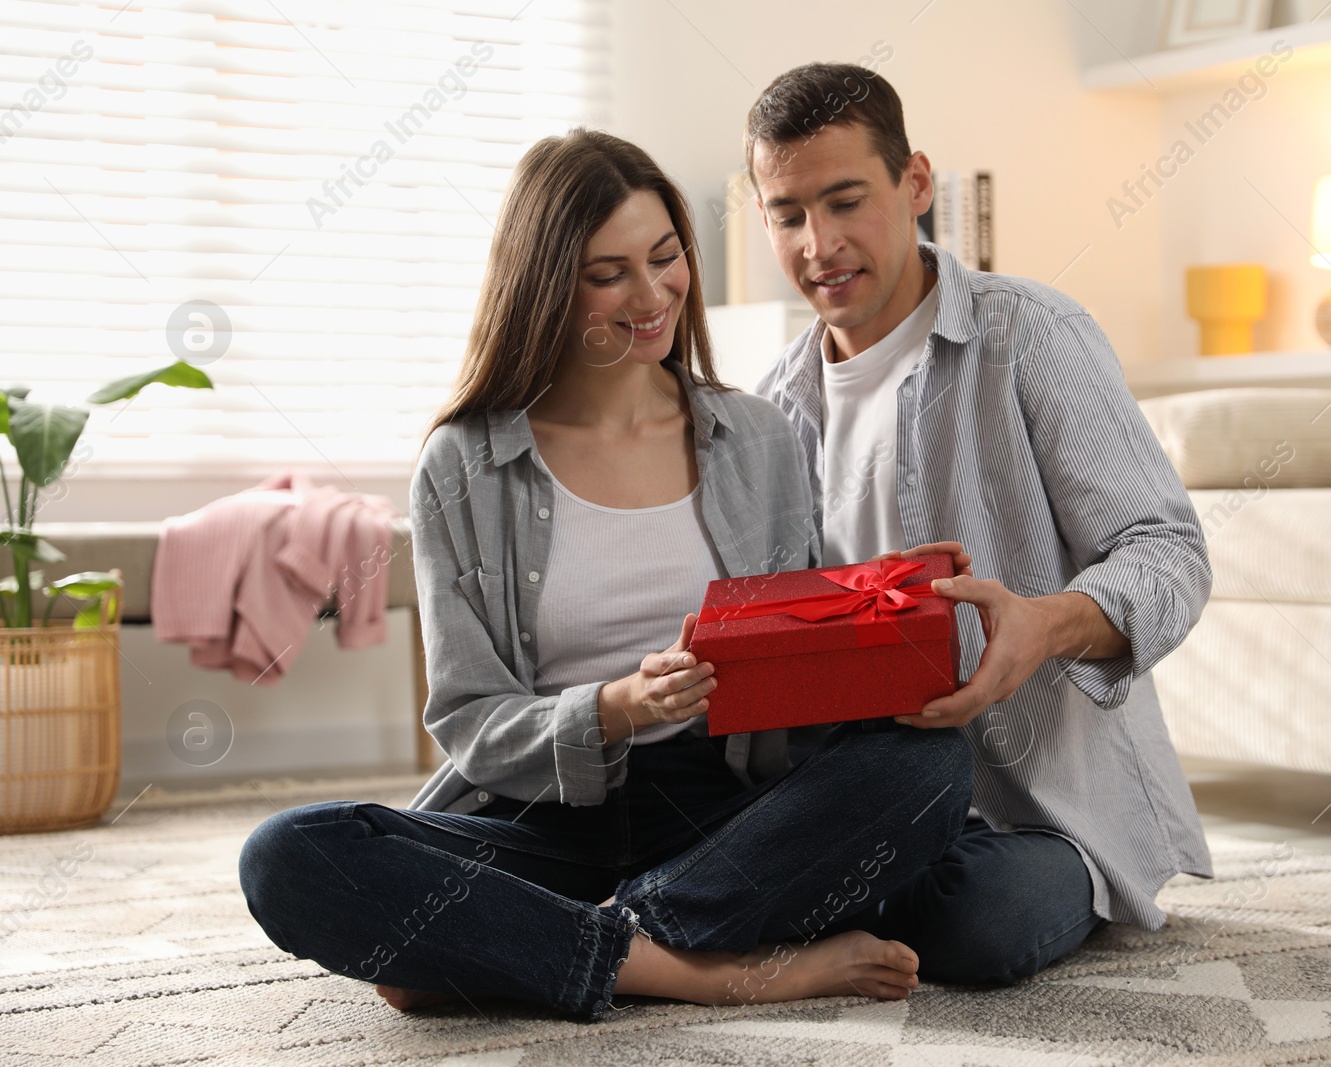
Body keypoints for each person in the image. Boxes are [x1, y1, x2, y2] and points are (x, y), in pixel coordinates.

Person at [237, 129, 974, 1022]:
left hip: (728, 809)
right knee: (289, 852)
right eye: (609, 272)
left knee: (929, 766)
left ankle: (536, 947)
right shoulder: (465, 463)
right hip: (544, 812)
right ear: (547, 282)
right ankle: (699, 968)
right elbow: (470, 717)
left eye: (666, 257)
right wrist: (617, 707)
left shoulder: (758, 438)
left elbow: (795, 670)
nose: (653, 293)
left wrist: (884, 603)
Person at [746, 63, 1215, 984]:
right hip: (861, 789)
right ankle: (819, 891)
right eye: (789, 214)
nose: (821, 244)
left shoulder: (1030, 335)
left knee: (981, 921)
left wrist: (1047, 626)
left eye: (847, 201)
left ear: (915, 183)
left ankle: (813, 905)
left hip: (1029, 808)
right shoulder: (769, 407)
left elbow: (1169, 552)